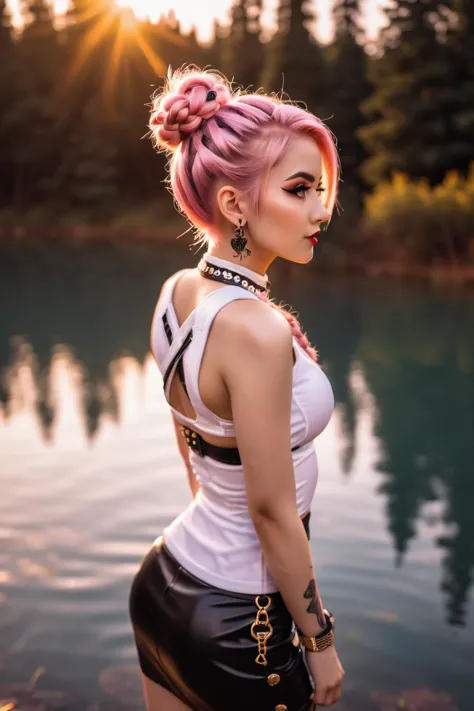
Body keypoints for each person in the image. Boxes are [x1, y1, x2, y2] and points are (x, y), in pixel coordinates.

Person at [128, 65, 344, 711]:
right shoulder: (256, 330)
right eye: (300, 189)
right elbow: (272, 510)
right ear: (232, 203)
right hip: (238, 620)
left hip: (163, 579)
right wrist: (319, 639)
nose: (321, 210)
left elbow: (189, 438)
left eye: (321, 188)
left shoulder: (177, 293)